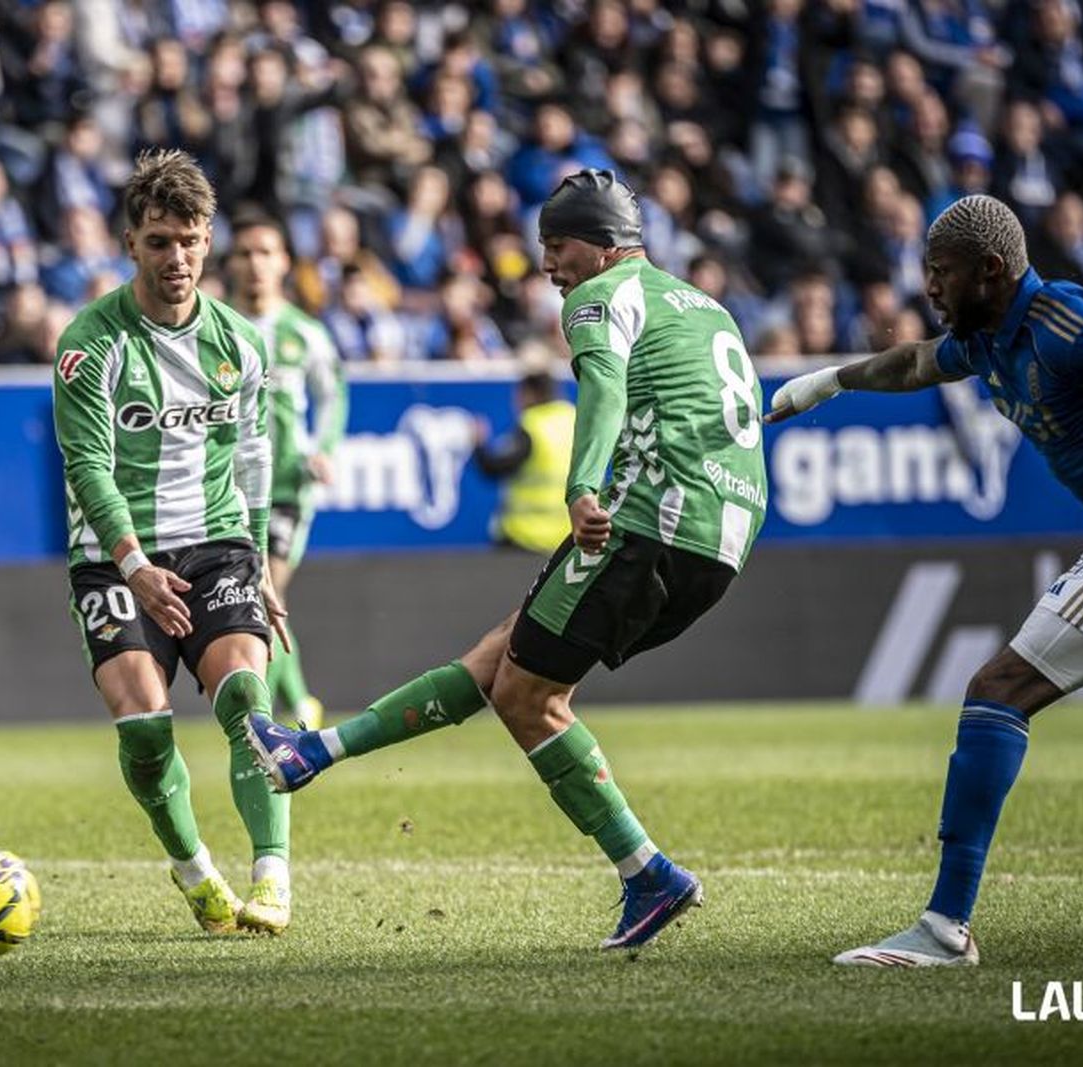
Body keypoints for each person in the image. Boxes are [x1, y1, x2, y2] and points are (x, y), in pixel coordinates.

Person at [245, 170, 770, 950]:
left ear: (601, 244)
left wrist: (582, 486)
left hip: (647, 523)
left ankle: (648, 871)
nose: (548, 264)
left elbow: (604, 389)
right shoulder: (702, 304)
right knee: (503, 653)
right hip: (720, 539)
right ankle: (313, 750)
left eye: (557, 246)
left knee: (527, 697)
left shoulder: (600, 295)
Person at [768, 194, 1083, 967]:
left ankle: (944, 928)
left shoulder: (1065, 321)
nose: (929, 287)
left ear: (992, 269)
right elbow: (912, 363)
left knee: (998, 689)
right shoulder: (985, 338)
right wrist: (824, 382)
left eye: (942, 273)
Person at [51, 148, 295, 937]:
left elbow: (254, 454)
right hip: (114, 557)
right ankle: (194, 869)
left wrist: (259, 562)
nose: (177, 258)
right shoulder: (91, 344)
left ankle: (273, 874)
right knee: (147, 727)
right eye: (159, 241)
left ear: (208, 240)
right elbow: (88, 465)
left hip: (217, 541)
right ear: (130, 243)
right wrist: (134, 566)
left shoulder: (241, 344)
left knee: (247, 699)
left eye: (190, 240)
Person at [225, 212, 348, 730]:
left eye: (265, 253)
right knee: (252, 598)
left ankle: (261, 719)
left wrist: (325, 448)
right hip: (226, 489)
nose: (255, 264)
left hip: (287, 487)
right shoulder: (215, 327)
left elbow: (334, 395)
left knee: (261, 592)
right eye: (244, 253)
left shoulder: (306, 333)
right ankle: (300, 705)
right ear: (230, 263)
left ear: (284, 263)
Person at [471, 370, 576, 554]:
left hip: (526, 535)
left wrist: (479, 444)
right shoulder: (573, 418)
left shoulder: (533, 425)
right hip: (569, 535)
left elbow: (495, 467)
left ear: (529, 393)